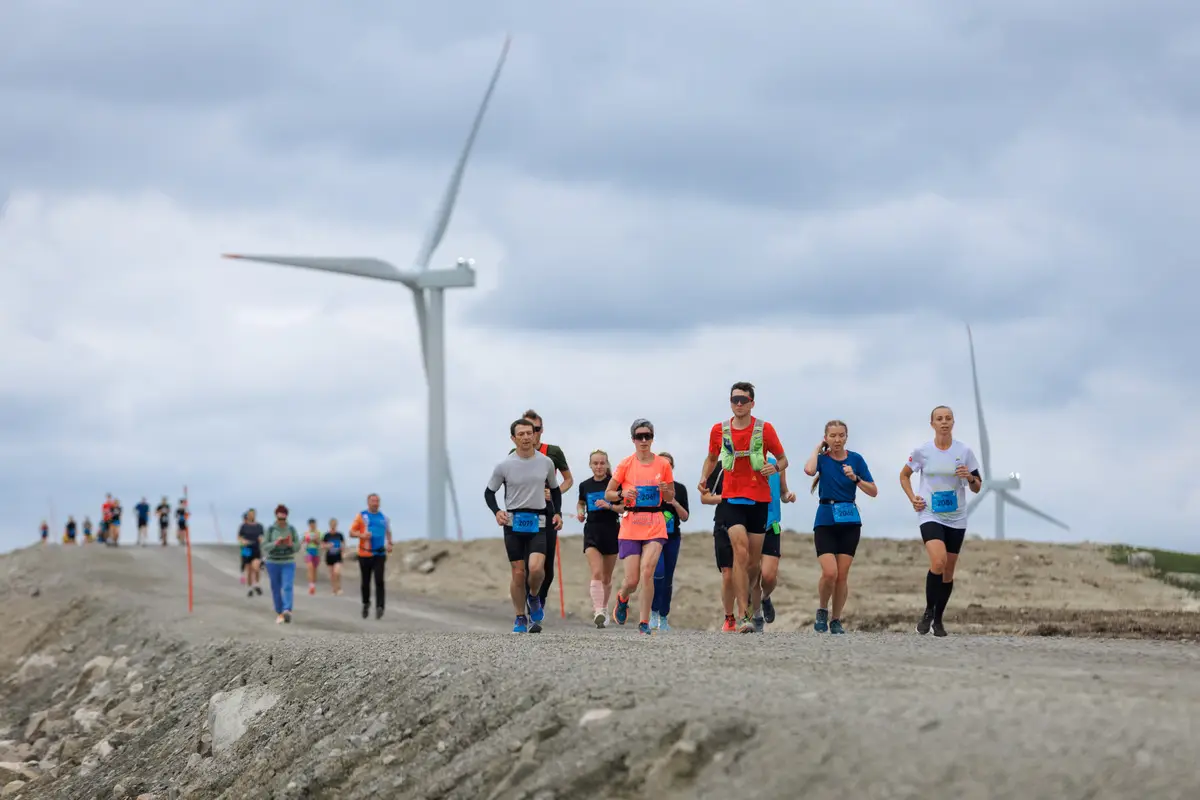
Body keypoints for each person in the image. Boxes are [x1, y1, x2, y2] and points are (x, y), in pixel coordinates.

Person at [697, 381, 788, 633]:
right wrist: (704, 478)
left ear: (752, 403)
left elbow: (783, 458)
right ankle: (743, 615)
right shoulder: (719, 430)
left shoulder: (764, 429)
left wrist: (776, 468)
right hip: (731, 499)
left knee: (753, 564)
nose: (738, 404)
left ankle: (755, 606)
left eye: (743, 400)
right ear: (730, 402)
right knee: (740, 552)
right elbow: (712, 458)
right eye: (734, 399)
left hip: (758, 501)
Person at [900, 405, 982, 637]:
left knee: (947, 572)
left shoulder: (964, 451)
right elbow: (904, 475)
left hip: (956, 517)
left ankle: (938, 619)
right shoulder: (922, 451)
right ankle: (928, 612)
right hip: (930, 513)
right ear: (932, 424)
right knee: (938, 561)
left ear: (953, 422)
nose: (944, 422)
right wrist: (912, 498)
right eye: (939, 419)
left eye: (948, 418)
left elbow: (977, 486)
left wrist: (969, 478)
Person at [487, 418, 562, 633]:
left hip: (538, 521)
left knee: (537, 569)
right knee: (518, 573)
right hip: (513, 522)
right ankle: (520, 617)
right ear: (514, 438)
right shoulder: (504, 465)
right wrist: (497, 512)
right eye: (521, 434)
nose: (527, 437)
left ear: (535, 435)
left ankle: (534, 596)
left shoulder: (546, 462)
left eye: (530, 433)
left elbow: (555, 489)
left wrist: (556, 512)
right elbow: (489, 492)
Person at [803, 420, 878, 634]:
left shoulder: (856, 459)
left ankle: (836, 619)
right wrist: (818, 449)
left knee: (842, 575)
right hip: (826, 520)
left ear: (846, 437)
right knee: (830, 572)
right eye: (833, 436)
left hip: (849, 522)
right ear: (826, 437)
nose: (837, 439)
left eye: (841, 435)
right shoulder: (822, 460)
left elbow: (873, 491)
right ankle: (821, 609)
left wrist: (855, 479)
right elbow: (809, 470)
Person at [605, 419, 674, 635]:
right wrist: (621, 494)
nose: (644, 440)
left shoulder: (663, 464)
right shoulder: (626, 464)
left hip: (655, 523)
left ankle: (644, 622)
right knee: (632, 580)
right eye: (639, 436)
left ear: (652, 438)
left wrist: (665, 490)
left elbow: (671, 496)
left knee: (647, 572)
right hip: (631, 524)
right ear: (633, 439)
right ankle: (623, 597)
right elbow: (608, 493)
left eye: (648, 436)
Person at [510, 409, 572, 626]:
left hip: (548, 512)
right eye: (525, 430)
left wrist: (554, 494)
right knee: (525, 566)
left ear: (541, 431)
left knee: (545, 567)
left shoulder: (553, 452)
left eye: (535, 430)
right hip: (524, 515)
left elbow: (568, 480)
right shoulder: (513, 454)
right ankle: (526, 610)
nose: (530, 435)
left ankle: (539, 600)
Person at [575, 449, 624, 628]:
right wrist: (580, 513)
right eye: (595, 463)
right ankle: (598, 611)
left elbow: (624, 508)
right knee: (596, 572)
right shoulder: (585, 485)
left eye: (602, 463)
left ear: (607, 464)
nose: (599, 466)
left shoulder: (614, 484)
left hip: (611, 529)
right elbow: (581, 502)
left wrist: (609, 505)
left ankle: (604, 607)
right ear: (590, 465)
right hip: (592, 531)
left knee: (606, 577)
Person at [751, 453, 796, 632]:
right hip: (751, 525)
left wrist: (788, 496)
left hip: (772, 526)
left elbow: (783, 492)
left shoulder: (776, 465)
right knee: (753, 575)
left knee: (768, 576)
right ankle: (756, 617)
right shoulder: (745, 462)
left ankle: (765, 597)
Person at [650, 451, 689, 632]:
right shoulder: (650, 488)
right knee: (657, 574)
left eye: (668, 465)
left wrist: (673, 501)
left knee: (667, 578)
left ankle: (664, 616)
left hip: (672, 538)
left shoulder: (679, 489)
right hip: (653, 537)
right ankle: (653, 612)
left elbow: (685, 516)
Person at [701, 464, 738, 631]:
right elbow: (705, 498)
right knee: (728, 573)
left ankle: (748, 612)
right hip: (723, 522)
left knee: (747, 571)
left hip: (749, 521)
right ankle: (729, 617)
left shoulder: (754, 463)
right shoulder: (719, 467)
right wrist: (727, 497)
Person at [349, 494, 393, 620]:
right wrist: (362, 535)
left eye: (377, 501)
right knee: (365, 582)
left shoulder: (384, 518)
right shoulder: (361, 516)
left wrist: (390, 543)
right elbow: (351, 532)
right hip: (365, 553)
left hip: (379, 553)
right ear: (368, 503)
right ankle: (366, 603)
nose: (375, 503)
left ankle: (380, 606)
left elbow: (388, 532)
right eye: (373, 501)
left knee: (379, 580)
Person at [263, 504, 298, 624]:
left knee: (287, 586)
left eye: (283, 518)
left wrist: (290, 544)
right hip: (273, 562)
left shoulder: (291, 529)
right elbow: (265, 546)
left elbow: (297, 546)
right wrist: (275, 543)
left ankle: (287, 610)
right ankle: (279, 612)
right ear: (276, 517)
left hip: (288, 561)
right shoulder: (271, 529)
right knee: (276, 588)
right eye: (279, 518)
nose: (281, 521)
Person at [237, 508, 265, 598]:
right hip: (246, 549)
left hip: (256, 548)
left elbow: (262, 536)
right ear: (248, 515)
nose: (251, 516)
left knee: (256, 567)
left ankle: (256, 584)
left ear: (255, 515)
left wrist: (261, 540)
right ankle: (250, 588)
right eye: (250, 514)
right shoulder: (243, 526)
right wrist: (243, 541)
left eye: (253, 514)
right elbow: (239, 537)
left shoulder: (259, 526)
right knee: (249, 569)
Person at [322, 518, 345, 596]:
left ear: (336, 525)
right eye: (332, 524)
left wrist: (342, 551)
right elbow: (322, 546)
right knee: (332, 574)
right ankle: (334, 589)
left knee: (337, 572)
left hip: (338, 556)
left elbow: (343, 544)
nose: (333, 526)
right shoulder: (326, 535)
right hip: (329, 556)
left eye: (334, 524)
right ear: (330, 525)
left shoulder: (340, 535)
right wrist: (327, 545)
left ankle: (338, 587)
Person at [302, 518, 323, 595]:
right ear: (309, 525)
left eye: (314, 524)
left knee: (314, 570)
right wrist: (306, 541)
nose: (312, 526)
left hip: (316, 552)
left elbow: (320, 543)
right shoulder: (306, 533)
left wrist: (316, 539)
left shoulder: (319, 533)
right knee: (310, 567)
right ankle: (311, 586)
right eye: (311, 525)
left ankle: (313, 585)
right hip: (308, 551)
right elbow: (303, 542)